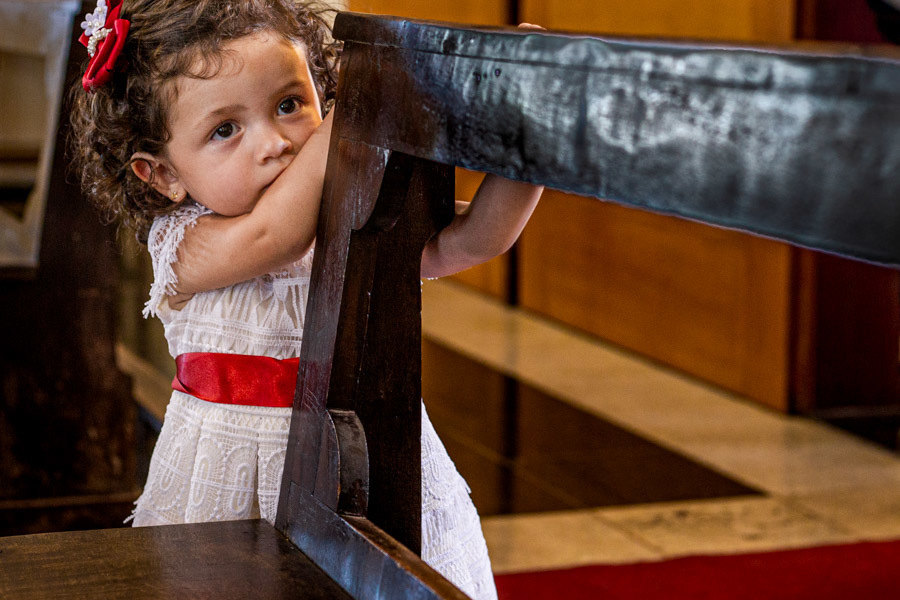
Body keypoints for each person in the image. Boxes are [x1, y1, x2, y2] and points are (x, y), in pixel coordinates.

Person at [68, 1, 543, 598]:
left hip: (364, 472)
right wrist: (363, 112)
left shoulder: (351, 220)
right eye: (225, 130)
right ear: (162, 174)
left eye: (290, 104)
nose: (275, 144)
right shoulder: (184, 246)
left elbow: (475, 240)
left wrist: (530, 128)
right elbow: (277, 231)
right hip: (232, 493)